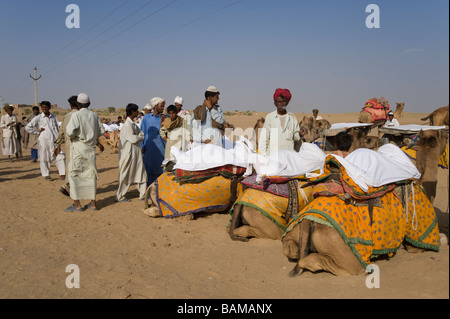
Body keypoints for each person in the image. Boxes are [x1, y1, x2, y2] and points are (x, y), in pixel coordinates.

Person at [65, 93, 105, 212]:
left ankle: (77, 205)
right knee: (90, 175)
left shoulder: (76, 115)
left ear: (77, 104)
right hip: (90, 149)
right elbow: (101, 130)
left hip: (78, 148)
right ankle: (93, 204)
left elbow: (70, 132)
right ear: (89, 104)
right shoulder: (95, 116)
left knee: (75, 175)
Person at [25, 101, 66, 180]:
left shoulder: (54, 117)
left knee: (60, 155)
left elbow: (57, 128)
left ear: (49, 107)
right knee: (44, 157)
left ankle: (62, 173)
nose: (44, 108)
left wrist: (59, 140)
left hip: (54, 140)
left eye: (46, 107)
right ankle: (46, 174)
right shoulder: (38, 117)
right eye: (43, 107)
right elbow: (28, 127)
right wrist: (37, 132)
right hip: (43, 140)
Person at [115, 103, 147, 202]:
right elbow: (133, 139)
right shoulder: (127, 126)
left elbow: (142, 134)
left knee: (140, 173)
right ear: (132, 112)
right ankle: (120, 196)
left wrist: (137, 136)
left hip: (136, 153)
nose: (137, 113)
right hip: (128, 154)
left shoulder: (133, 124)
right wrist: (138, 136)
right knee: (125, 175)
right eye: (136, 111)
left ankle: (143, 194)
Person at [258, 88, 301, 156]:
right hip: (273, 157)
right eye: (279, 102)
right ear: (275, 103)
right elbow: (264, 139)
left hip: (289, 158)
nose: (281, 104)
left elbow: (297, 138)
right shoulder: (270, 117)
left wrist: (300, 134)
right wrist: (263, 157)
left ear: (287, 102)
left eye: (283, 101)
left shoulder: (292, 118)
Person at [54, 95, 79, 197]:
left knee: (70, 165)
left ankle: (70, 187)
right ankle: (66, 186)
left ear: (70, 105)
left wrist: (58, 144)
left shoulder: (66, 116)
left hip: (69, 145)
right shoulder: (81, 116)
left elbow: (61, 132)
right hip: (79, 144)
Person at [140, 97, 166, 186]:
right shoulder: (146, 118)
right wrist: (142, 146)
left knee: (161, 169)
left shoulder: (164, 118)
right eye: (161, 106)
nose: (163, 108)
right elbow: (142, 132)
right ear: (155, 106)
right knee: (148, 169)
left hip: (161, 148)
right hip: (148, 148)